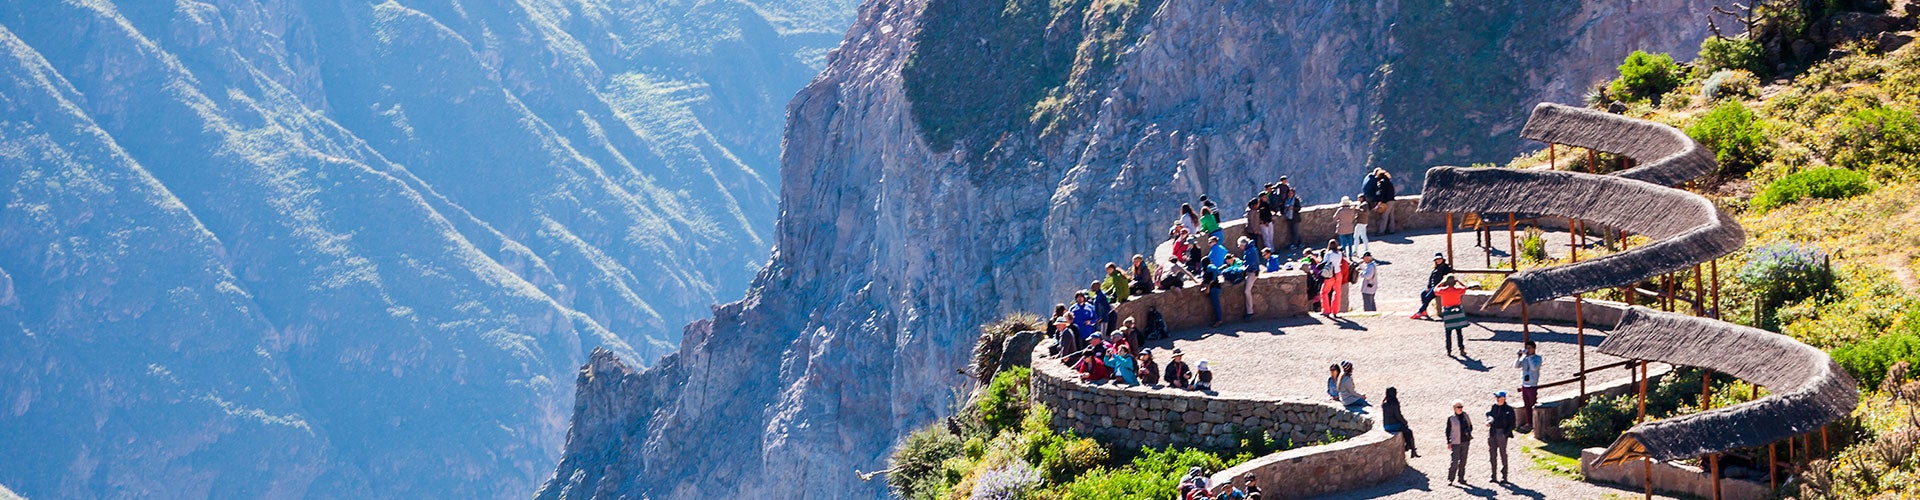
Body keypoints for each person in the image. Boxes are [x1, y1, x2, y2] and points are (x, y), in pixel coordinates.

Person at [1436, 275, 1474, 355]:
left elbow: (1435, 289)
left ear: (1446, 283)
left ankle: (1449, 351)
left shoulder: (1442, 290)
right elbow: (1464, 287)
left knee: (1448, 333)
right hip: (1457, 312)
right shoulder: (1459, 290)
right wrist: (1459, 281)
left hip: (1447, 312)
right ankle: (1461, 349)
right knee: (1459, 332)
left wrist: (1441, 282)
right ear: (1454, 283)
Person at [1413, 253, 1456, 319]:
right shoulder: (1436, 267)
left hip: (1440, 287)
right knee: (1423, 294)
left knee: (1427, 297)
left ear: (1442, 259)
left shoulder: (1446, 267)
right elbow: (1431, 278)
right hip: (1433, 287)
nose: (1438, 260)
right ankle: (1424, 311)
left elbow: (1447, 278)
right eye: (1437, 259)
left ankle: (1420, 312)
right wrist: (1429, 287)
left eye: (1440, 259)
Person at [1487, 391, 1517, 483]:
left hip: (1502, 433)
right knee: (1492, 454)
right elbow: (1490, 415)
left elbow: (1512, 424)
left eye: (1498, 397)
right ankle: (1493, 476)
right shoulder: (1494, 407)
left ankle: (1504, 476)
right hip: (1493, 432)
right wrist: (1489, 421)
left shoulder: (1509, 409)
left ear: (1503, 398)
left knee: (1503, 454)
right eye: (1496, 397)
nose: (1497, 399)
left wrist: (1505, 434)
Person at [1381, 387, 1418, 457]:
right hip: (1394, 426)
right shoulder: (1394, 403)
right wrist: (1404, 421)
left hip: (1386, 426)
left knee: (1405, 430)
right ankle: (1413, 450)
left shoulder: (1384, 404)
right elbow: (1398, 416)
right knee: (1409, 432)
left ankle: (1409, 447)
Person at [1516, 341, 1543, 432]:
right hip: (1524, 385)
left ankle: (1535, 423)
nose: (1528, 350)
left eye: (1529, 348)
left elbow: (1534, 368)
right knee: (1527, 405)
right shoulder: (1524, 358)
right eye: (1527, 348)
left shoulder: (1538, 358)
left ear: (1534, 348)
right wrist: (1519, 357)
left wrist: (1530, 357)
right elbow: (1516, 366)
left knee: (1533, 405)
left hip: (1532, 385)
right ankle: (1529, 423)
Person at [1445, 400, 1474, 485]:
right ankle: (1450, 479)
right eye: (1458, 407)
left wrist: (1468, 432)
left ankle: (1461, 478)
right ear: (1454, 408)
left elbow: (1470, 426)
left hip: (1465, 441)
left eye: (1461, 407)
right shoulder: (1451, 418)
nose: (1460, 408)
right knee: (1454, 462)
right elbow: (1448, 431)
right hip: (1455, 442)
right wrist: (1449, 442)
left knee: (1463, 461)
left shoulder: (1465, 416)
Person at [1318, 241, 1349, 317]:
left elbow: (1324, 262)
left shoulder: (1328, 254)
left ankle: (1326, 310)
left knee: (1324, 292)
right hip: (1338, 273)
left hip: (1330, 274)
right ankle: (1335, 311)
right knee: (1337, 293)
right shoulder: (1340, 253)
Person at [1240, 236, 1262, 320]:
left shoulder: (1249, 251)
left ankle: (1250, 312)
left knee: (1247, 291)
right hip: (1253, 271)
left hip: (1252, 272)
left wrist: (1244, 269)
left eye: (1239, 245)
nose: (1239, 247)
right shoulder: (1251, 249)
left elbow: (1251, 263)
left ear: (1243, 244)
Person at [1376, 170, 1397, 234]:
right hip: (1392, 200)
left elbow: (1382, 193)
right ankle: (1392, 230)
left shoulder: (1382, 183)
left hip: (1387, 201)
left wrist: (1380, 201)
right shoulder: (1389, 182)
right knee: (1391, 216)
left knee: (1384, 216)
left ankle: (1381, 231)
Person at [1204, 258, 1224, 327]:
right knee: (1215, 305)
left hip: (1214, 288)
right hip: (1215, 288)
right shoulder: (1209, 267)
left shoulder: (1207, 268)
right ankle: (1217, 320)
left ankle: (1219, 321)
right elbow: (1216, 270)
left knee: (1216, 305)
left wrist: (1213, 279)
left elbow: (1215, 270)